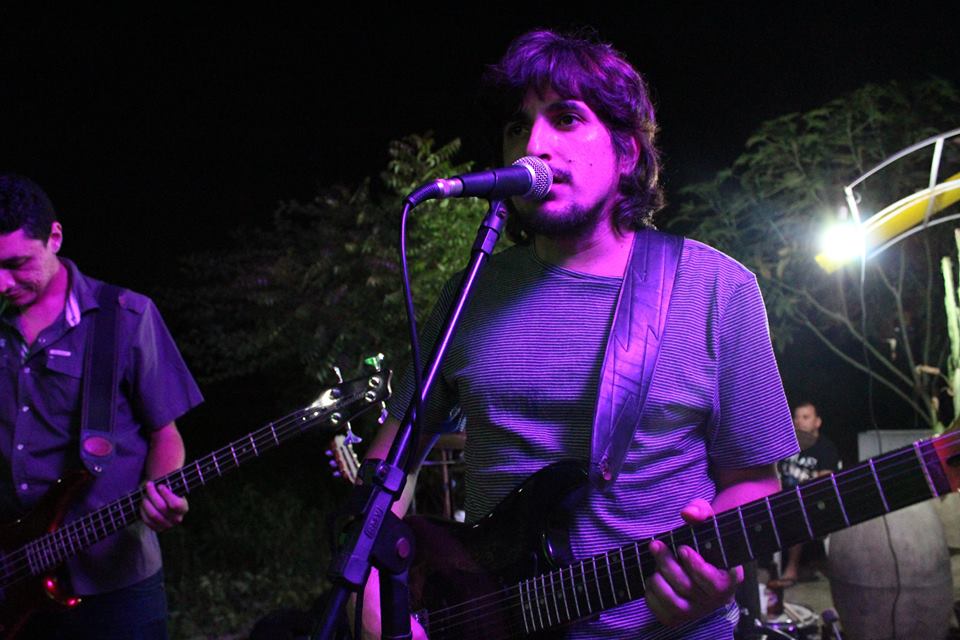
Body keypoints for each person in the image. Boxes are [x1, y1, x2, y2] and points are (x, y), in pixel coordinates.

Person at [360, 29, 799, 639]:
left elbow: (753, 480)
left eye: (566, 118)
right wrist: (373, 600)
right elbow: (389, 465)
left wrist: (715, 575)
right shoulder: (470, 293)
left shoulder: (716, 287)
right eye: (517, 127)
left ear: (627, 153)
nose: (532, 146)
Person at [0, 174, 203, 639]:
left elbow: (165, 433)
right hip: (12, 579)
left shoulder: (126, 315)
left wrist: (162, 491)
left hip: (115, 580)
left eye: (17, 264)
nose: (3, 283)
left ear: (54, 237)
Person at [775, 401, 841, 585]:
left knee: (797, 509)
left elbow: (825, 481)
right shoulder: (786, 445)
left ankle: (792, 570)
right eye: (796, 417)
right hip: (780, 499)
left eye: (805, 417)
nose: (799, 421)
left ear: (817, 422)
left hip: (809, 501)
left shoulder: (825, 447)